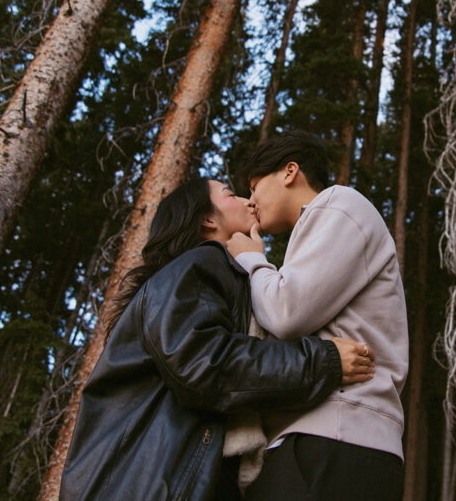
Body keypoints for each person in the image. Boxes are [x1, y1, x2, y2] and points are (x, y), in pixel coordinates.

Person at [60, 178, 375, 501]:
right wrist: (323, 361)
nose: (248, 201)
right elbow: (205, 365)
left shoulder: (209, 278)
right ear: (208, 220)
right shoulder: (196, 265)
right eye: (231, 194)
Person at [226, 131, 409, 501]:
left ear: (290, 172)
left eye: (255, 186)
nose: (251, 201)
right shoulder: (318, 225)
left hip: (337, 435)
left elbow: (287, 312)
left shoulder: (338, 205)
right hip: (325, 437)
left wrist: (251, 259)